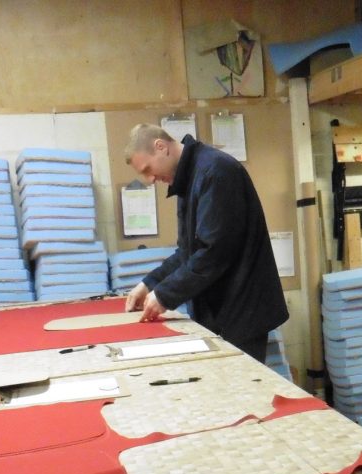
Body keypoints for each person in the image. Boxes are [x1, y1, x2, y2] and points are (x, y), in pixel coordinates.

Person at [123, 124, 288, 363]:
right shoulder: (189, 177)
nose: (149, 180)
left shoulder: (215, 172)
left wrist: (165, 296)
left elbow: (214, 252)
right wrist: (150, 284)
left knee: (241, 394)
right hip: (220, 309)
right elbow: (187, 252)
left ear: (161, 147)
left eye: (148, 169)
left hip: (241, 310)